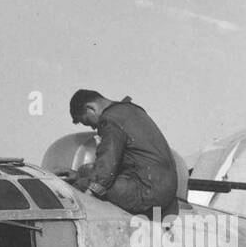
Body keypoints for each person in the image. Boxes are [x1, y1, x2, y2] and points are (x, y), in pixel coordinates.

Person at [62, 89, 179, 218]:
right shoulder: (132, 110)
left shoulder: (110, 119)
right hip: (163, 188)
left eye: (88, 122)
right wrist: (79, 174)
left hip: (147, 191)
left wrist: (89, 192)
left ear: (91, 108)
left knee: (78, 186)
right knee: (85, 172)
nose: (94, 128)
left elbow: (108, 160)